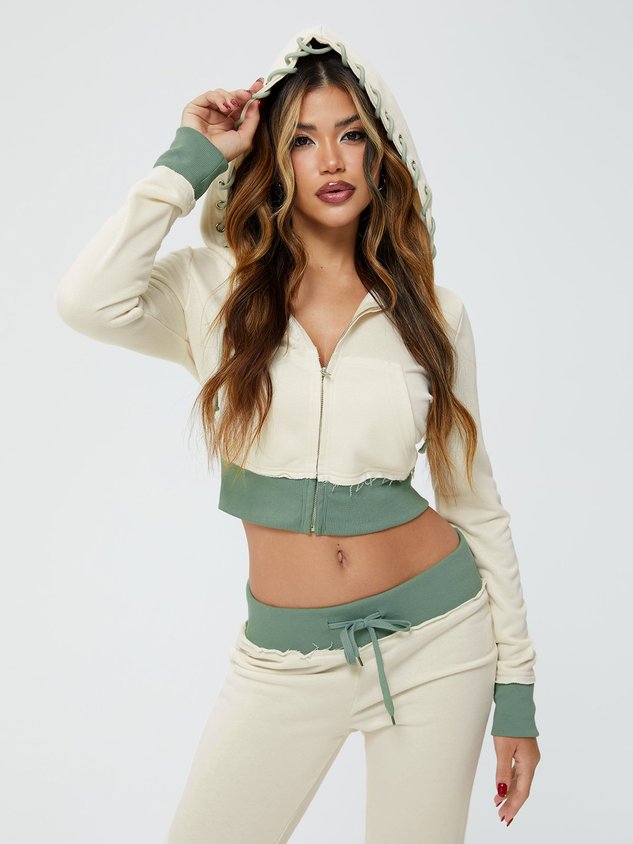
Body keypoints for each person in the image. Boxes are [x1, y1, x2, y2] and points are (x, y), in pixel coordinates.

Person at [56, 23, 541, 844]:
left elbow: (474, 503)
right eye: (303, 141)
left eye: (350, 136)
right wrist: (189, 160)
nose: (330, 161)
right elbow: (87, 301)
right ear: (272, 161)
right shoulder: (215, 291)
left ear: (378, 155)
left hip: (438, 641)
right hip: (281, 658)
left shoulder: (434, 313)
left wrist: (516, 694)